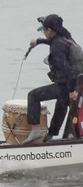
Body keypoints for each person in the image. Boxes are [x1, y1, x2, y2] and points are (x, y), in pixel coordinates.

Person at [24, 14, 83, 143]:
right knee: (61, 105)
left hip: (67, 85)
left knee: (33, 95)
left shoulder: (56, 47)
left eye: (44, 30)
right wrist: (39, 41)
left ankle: (35, 131)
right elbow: (54, 41)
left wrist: (71, 91)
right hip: (78, 83)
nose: (44, 33)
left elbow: (65, 68)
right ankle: (50, 135)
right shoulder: (67, 38)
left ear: (49, 30)